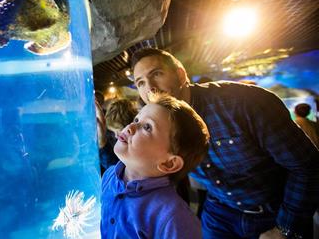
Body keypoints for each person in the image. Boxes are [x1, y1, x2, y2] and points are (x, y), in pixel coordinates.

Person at [130, 48, 319, 239]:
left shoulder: (244, 103)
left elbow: (308, 166)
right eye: (140, 83)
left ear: (180, 75)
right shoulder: (158, 124)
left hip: (273, 212)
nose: (150, 88)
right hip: (217, 211)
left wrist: (286, 228)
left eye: (156, 74)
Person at [101, 94, 209, 238]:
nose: (130, 127)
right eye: (136, 119)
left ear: (168, 163)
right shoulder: (109, 175)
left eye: (147, 127)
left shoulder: (174, 218)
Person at [98, 99, 138, 174]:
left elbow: (118, 171)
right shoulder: (111, 135)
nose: (116, 135)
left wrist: (103, 146)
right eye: (113, 131)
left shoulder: (134, 146)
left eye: (118, 130)